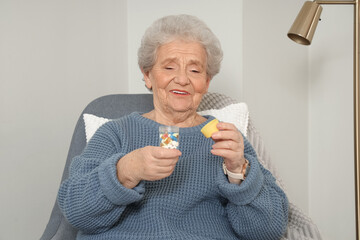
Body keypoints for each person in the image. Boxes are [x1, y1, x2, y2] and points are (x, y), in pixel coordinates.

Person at [58, 14, 288, 240]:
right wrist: (125, 171)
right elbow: (77, 213)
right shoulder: (115, 133)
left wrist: (238, 172)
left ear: (206, 82)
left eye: (195, 70)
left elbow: (268, 231)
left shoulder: (227, 139)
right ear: (148, 75)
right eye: (169, 68)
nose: (182, 79)